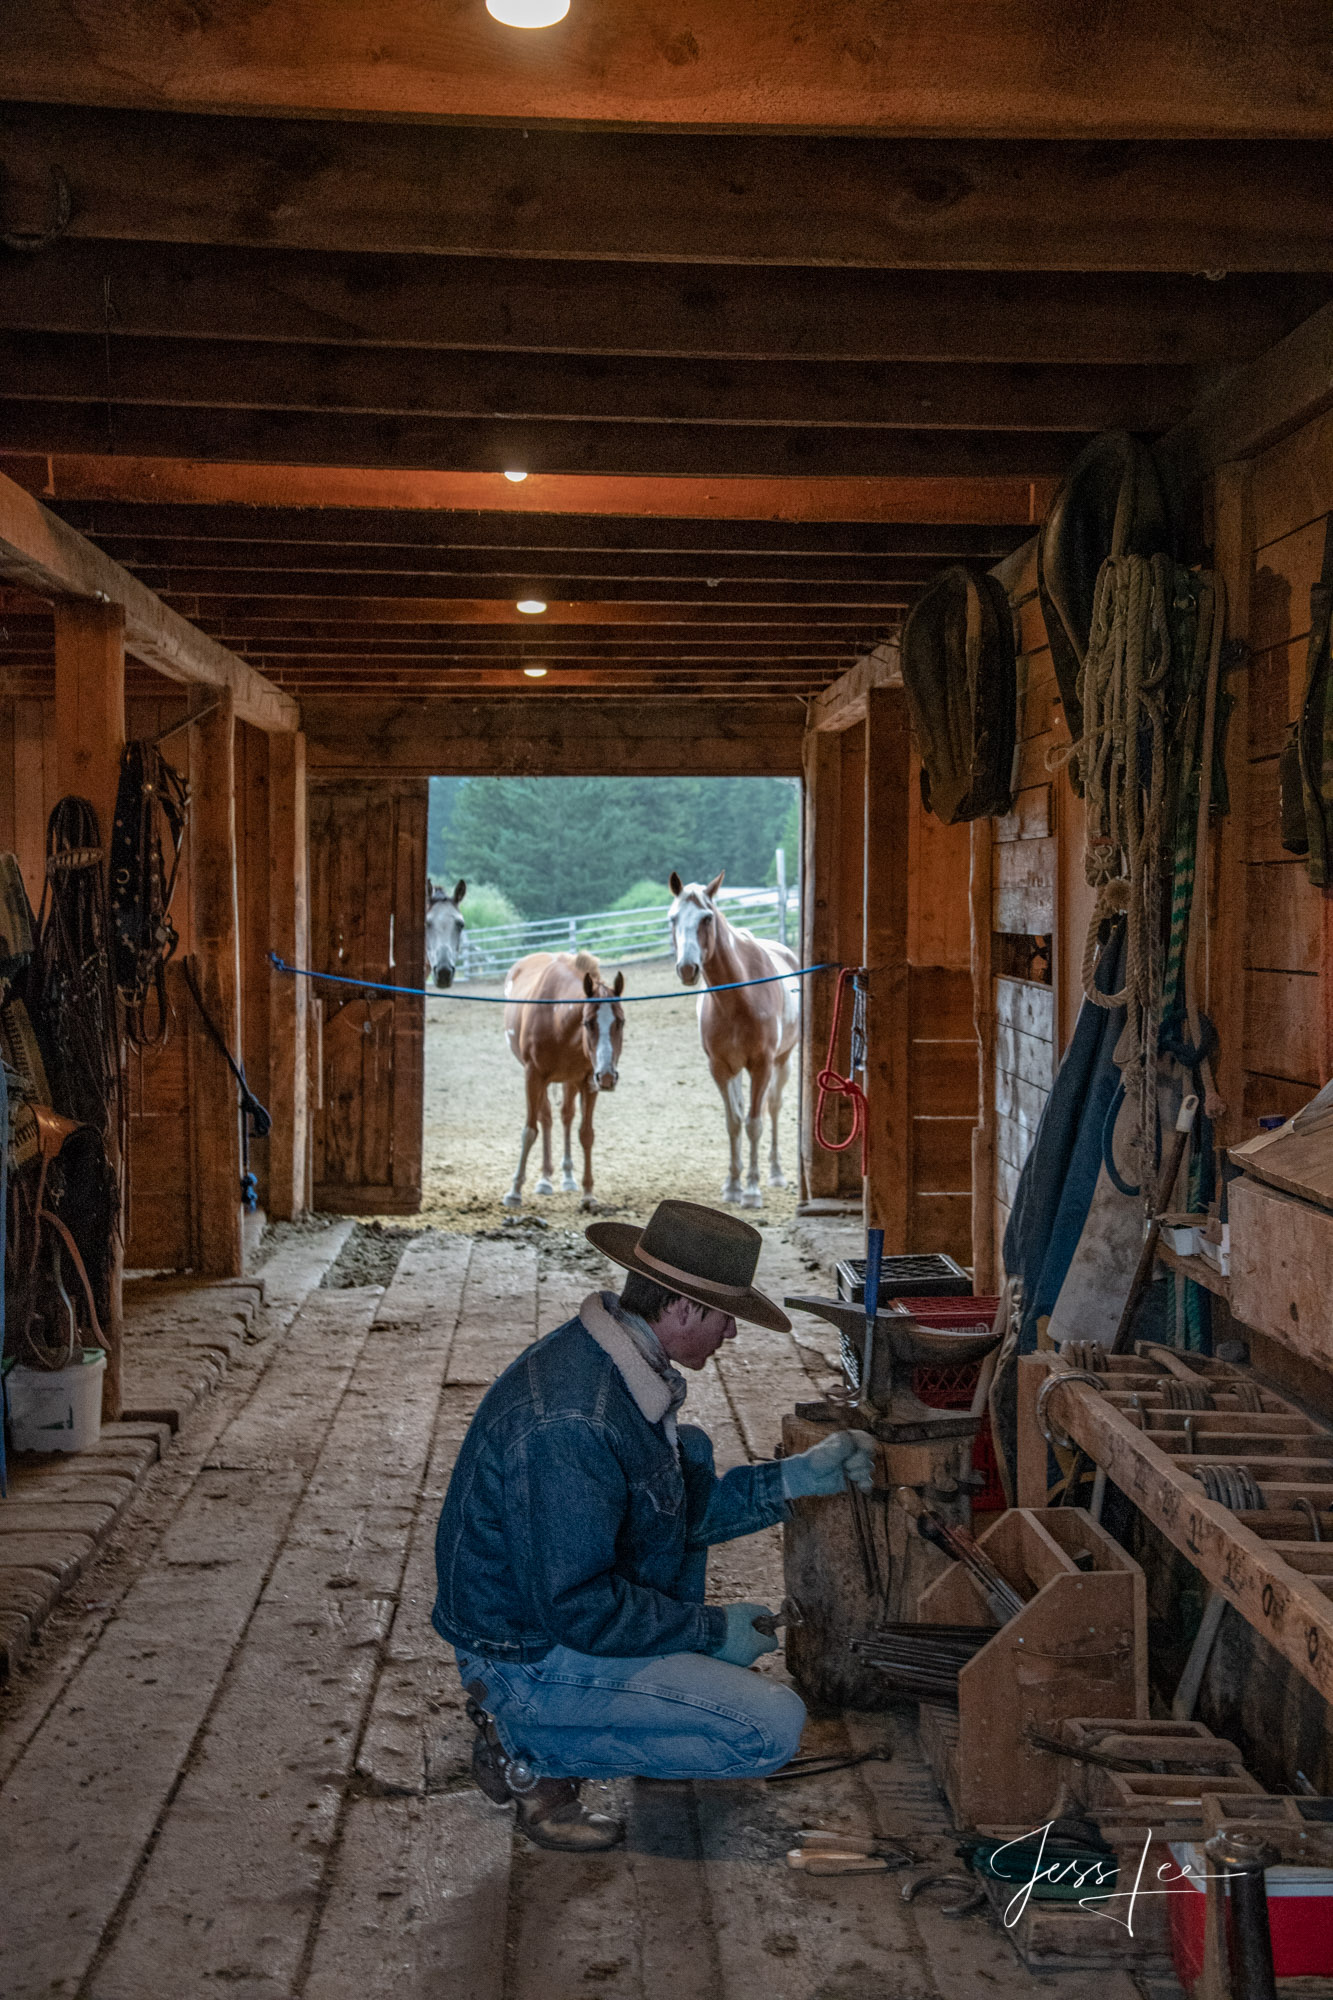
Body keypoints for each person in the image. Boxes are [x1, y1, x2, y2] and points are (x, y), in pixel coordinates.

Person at [432, 1198, 876, 1851]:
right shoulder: (573, 1423)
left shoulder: (615, 1363)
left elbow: (663, 1515)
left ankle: (610, 1714)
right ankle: (527, 1746)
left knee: (687, 1452)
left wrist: (790, 1480)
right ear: (680, 1307)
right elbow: (575, 1607)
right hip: (522, 1655)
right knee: (770, 1726)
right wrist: (707, 1631)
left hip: (547, 1619)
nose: (730, 1333)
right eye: (726, 1316)